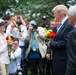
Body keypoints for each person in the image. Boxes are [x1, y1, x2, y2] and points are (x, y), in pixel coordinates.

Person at [47, 5, 73, 75]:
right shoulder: (60, 25)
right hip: (57, 61)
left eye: (54, 13)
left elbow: (66, 42)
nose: (54, 16)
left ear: (60, 14)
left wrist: (51, 44)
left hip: (63, 62)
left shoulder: (69, 24)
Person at [65, 5, 76, 75]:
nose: (67, 18)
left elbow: (73, 60)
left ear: (73, 18)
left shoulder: (73, 34)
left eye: (68, 16)